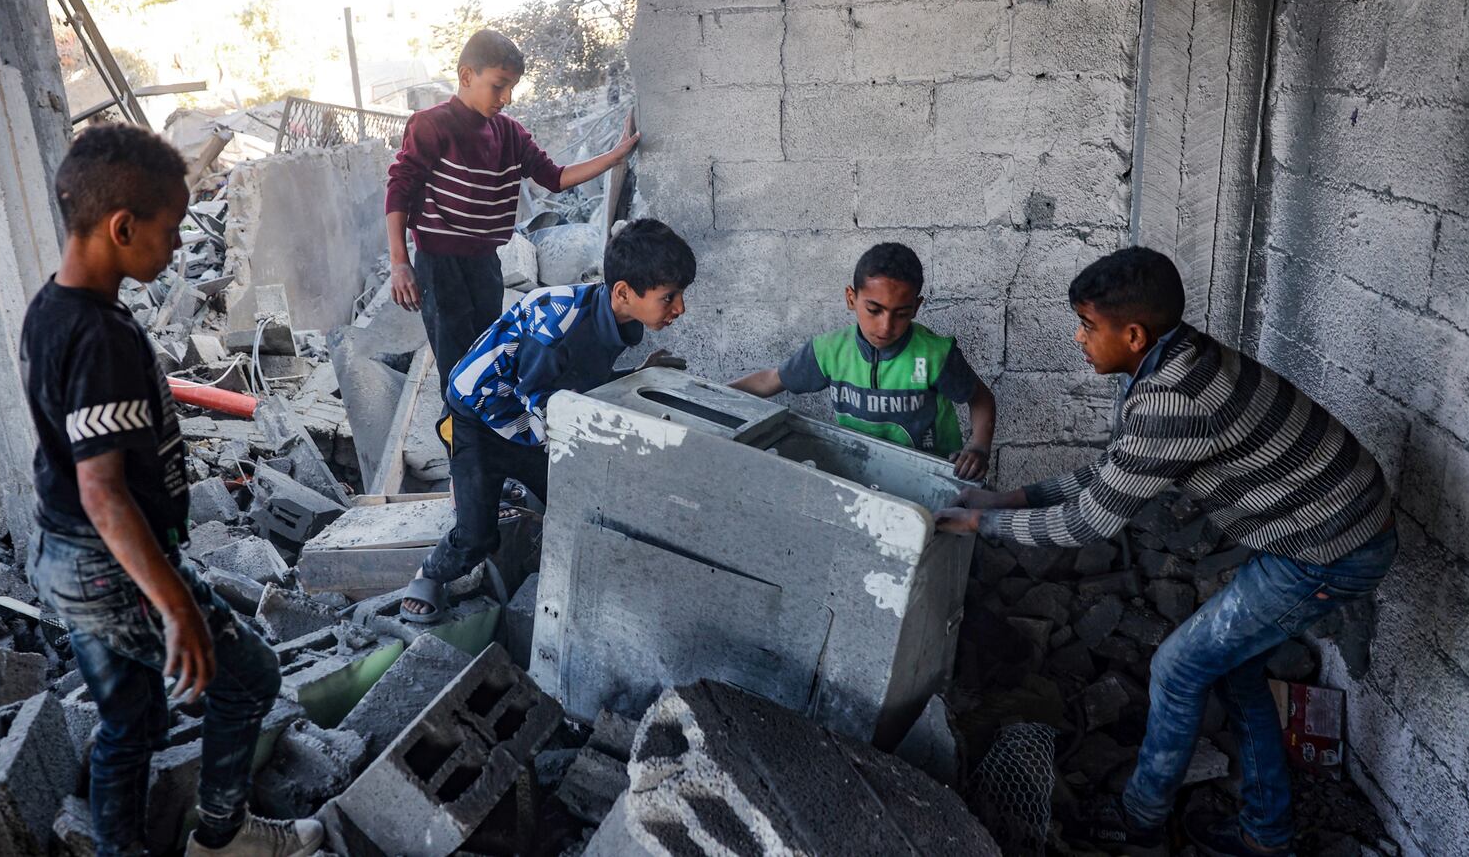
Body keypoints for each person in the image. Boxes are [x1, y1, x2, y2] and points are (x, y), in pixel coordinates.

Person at [935, 247, 1395, 857]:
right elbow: (1110, 473)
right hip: (1322, 525)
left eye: (1089, 327)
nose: (1079, 339)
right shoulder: (1173, 359)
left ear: (1132, 333)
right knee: (1229, 667)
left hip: (1329, 549)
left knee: (1178, 668)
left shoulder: (1172, 399)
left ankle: (1139, 820)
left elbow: (1089, 521)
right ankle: (1267, 833)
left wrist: (980, 525)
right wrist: (1009, 497)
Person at [21, 125, 322, 857]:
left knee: (132, 715)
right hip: (106, 561)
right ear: (122, 228)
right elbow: (105, 494)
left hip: (73, 552)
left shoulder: (53, 308)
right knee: (247, 675)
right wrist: (177, 606)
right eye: (172, 227)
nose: (180, 243)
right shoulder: (99, 339)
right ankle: (222, 839)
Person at [399, 218, 696, 622]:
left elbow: (576, 383)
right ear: (624, 292)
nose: (679, 308)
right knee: (476, 534)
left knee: (579, 501)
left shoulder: (610, 314)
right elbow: (551, 410)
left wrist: (640, 375)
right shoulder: (557, 330)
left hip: (530, 412)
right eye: (669, 297)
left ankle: (563, 564)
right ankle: (429, 574)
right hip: (479, 421)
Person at [384, 28, 640, 386]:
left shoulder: (509, 134)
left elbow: (554, 177)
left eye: (512, 88)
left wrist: (613, 158)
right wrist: (399, 262)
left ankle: (490, 435)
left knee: (490, 359)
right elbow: (399, 189)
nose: (506, 98)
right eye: (498, 85)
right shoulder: (431, 126)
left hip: (487, 264)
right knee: (457, 369)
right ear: (466, 76)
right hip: (441, 267)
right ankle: (459, 439)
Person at [729, 242, 997, 480]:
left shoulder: (934, 354)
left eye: (901, 314)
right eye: (874, 310)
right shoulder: (829, 351)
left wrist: (978, 447)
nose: (886, 326)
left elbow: (981, 399)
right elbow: (770, 380)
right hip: (863, 471)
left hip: (929, 475)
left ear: (915, 308)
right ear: (851, 298)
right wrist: (709, 398)